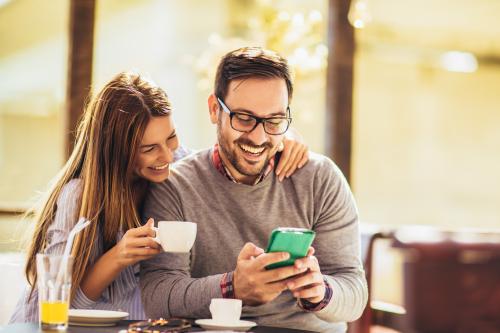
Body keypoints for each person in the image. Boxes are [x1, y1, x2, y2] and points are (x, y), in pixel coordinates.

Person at [10, 71, 308, 322]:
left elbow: (218, 161)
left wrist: (283, 139)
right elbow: (52, 306)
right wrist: (118, 257)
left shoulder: (175, 167)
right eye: (149, 148)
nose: (166, 155)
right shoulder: (80, 197)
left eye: (171, 137)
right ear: (117, 151)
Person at [140, 47, 368, 333]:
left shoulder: (320, 179)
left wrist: (321, 291)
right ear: (214, 109)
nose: (259, 137)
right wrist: (232, 286)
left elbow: (354, 291)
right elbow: (159, 296)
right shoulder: (175, 186)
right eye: (244, 118)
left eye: (273, 121)